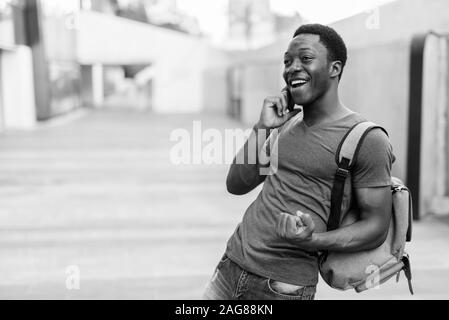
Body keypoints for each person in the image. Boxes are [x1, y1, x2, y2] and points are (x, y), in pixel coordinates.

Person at [203, 24, 395, 300]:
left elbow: (376, 227)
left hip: (282, 287)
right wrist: (262, 127)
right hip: (230, 266)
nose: (292, 67)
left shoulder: (367, 138)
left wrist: (314, 240)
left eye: (305, 58)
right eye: (287, 61)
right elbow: (236, 184)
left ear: (334, 68)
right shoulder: (286, 122)